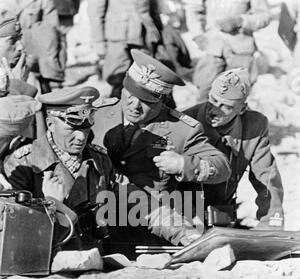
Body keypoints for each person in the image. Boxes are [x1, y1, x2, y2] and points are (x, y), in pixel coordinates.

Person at [92, 50, 232, 246]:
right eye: (130, 95)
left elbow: (222, 167)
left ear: (161, 100)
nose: (134, 106)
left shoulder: (182, 129)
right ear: (123, 88)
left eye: (146, 101)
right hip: (98, 224)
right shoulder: (96, 115)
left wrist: (184, 164)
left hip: (153, 229)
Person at [3, 86, 115, 250]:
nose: (81, 137)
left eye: (85, 129)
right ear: (51, 124)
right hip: (49, 260)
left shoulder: (100, 159)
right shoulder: (23, 164)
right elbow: (17, 232)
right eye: (71, 129)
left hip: (95, 257)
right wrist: (52, 203)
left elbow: (128, 200)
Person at [184, 68, 285, 231]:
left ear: (242, 108)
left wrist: (271, 222)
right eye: (213, 100)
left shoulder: (254, 127)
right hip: (183, 216)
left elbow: (266, 177)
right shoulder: (185, 121)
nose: (214, 110)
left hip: (221, 215)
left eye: (226, 106)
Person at [183, 0, 271, 102]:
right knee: (204, 91)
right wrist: (197, 34)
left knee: (236, 97)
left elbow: (265, 16)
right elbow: (193, 10)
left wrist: (241, 20)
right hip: (213, 48)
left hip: (241, 50)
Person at [87, 0, 162, 98]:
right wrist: (99, 41)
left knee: (145, 79)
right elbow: (95, 12)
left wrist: (157, 31)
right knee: (118, 79)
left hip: (144, 35)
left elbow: (152, 6)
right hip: (118, 36)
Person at [0, 11, 37, 98]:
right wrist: (16, 87)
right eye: (12, 41)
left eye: (20, 39)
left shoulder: (24, 74)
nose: (20, 47)